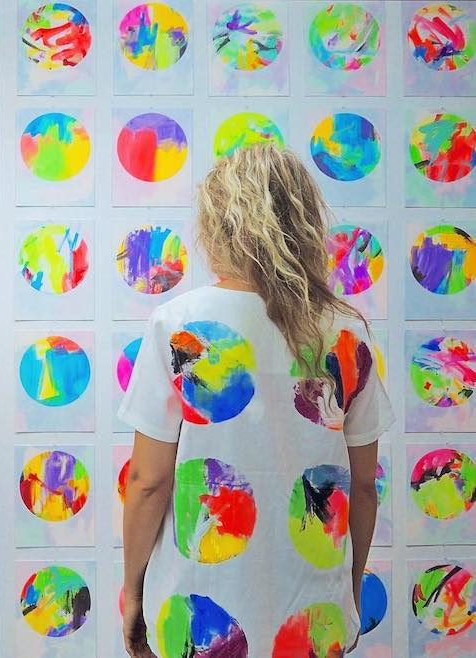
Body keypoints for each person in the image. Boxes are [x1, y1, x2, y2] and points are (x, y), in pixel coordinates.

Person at [118, 143, 394, 658]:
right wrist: (350, 587)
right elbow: (362, 486)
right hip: (313, 614)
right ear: (304, 221)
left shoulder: (179, 326)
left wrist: (132, 590)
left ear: (218, 224)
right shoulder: (346, 333)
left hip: (196, 618)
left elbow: (148, 481)